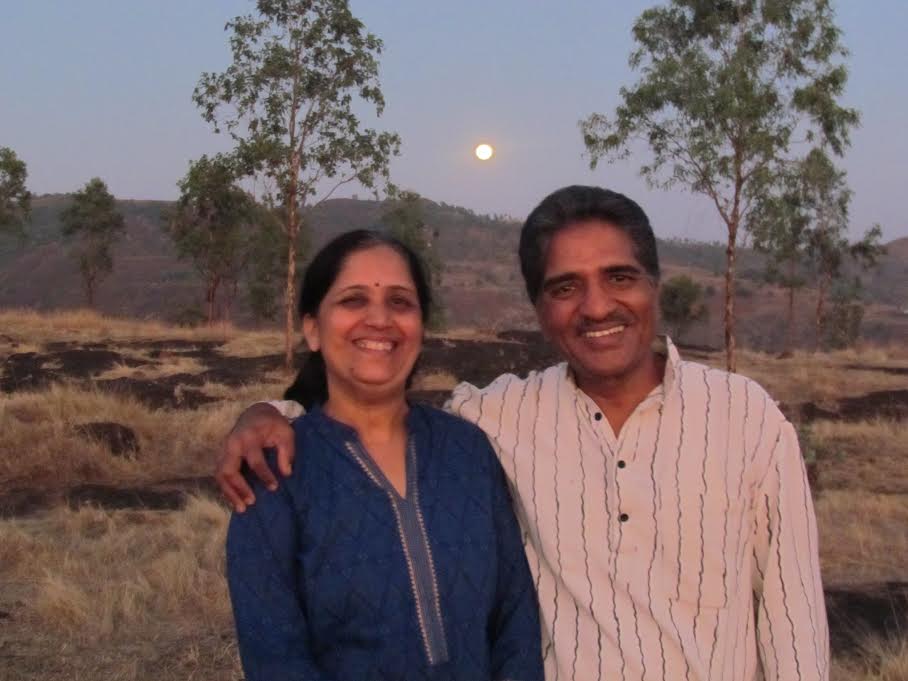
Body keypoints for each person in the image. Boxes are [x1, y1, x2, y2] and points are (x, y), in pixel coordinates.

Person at [219, 187, 829, 681]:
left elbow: (792, 615)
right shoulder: (503, 418)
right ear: (540, 309)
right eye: (565, 287)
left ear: (654, 285)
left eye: (620, 277)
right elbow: (370, 407)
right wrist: (273, 411)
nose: (596, 307)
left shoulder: (746, 418)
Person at [225, 229, 543, 681]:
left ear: (421, 326)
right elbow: (275, 656)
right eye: (354, 300)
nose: (380, 319)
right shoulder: (275, 472)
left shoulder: (467, 451)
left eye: (400, 302)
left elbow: (515, 619)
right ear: (312, 328)